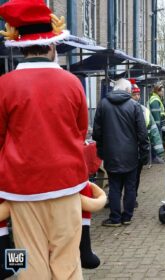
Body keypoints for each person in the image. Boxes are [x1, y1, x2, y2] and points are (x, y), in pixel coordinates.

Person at [0, 1, 88, 278]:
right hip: (66, 183)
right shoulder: (73, 83)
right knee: (66, 256)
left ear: (19, 45)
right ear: (52, 44)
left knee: (24, 255)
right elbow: (81, 131)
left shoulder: (4, 84)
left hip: (21, 187)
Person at [93, 78, 149, 227]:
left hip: (111, 153)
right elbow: (142, 133)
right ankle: (127, 216)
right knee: (130, 186)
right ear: (128, 91)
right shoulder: (134, 106)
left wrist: (102, 147)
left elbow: (96, 132)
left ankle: (115, 218)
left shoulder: (103, 104)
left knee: (114, 186)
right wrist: (144, 152)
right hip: (131, 154)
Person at [131, 84, 164, 206]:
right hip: (133, 150)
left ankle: (132, 198)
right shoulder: (140, 109)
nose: (137, 97)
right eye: (134, 94)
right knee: (129, 177)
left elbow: (153, 130)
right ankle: (128, 199)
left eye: (138, 94)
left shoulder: (144, 110)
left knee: (134, 176)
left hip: (137, 150)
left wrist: (159, 150)